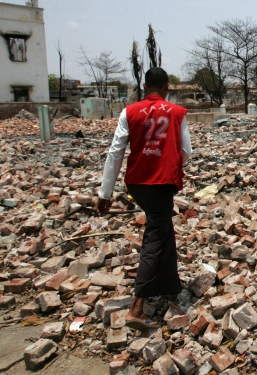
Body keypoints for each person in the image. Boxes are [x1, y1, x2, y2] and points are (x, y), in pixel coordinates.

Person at [96, 67, 192, 330]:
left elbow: (116, 152)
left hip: (137, 183)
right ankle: (136, 307)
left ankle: (169, 284)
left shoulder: (129, 112)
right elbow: (186, 150)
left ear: (145, 85)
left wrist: (105, 193)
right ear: (167, 88)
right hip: (161, 183)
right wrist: (167, 160)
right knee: (154, 236)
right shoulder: (178, 113)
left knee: (162, 227)